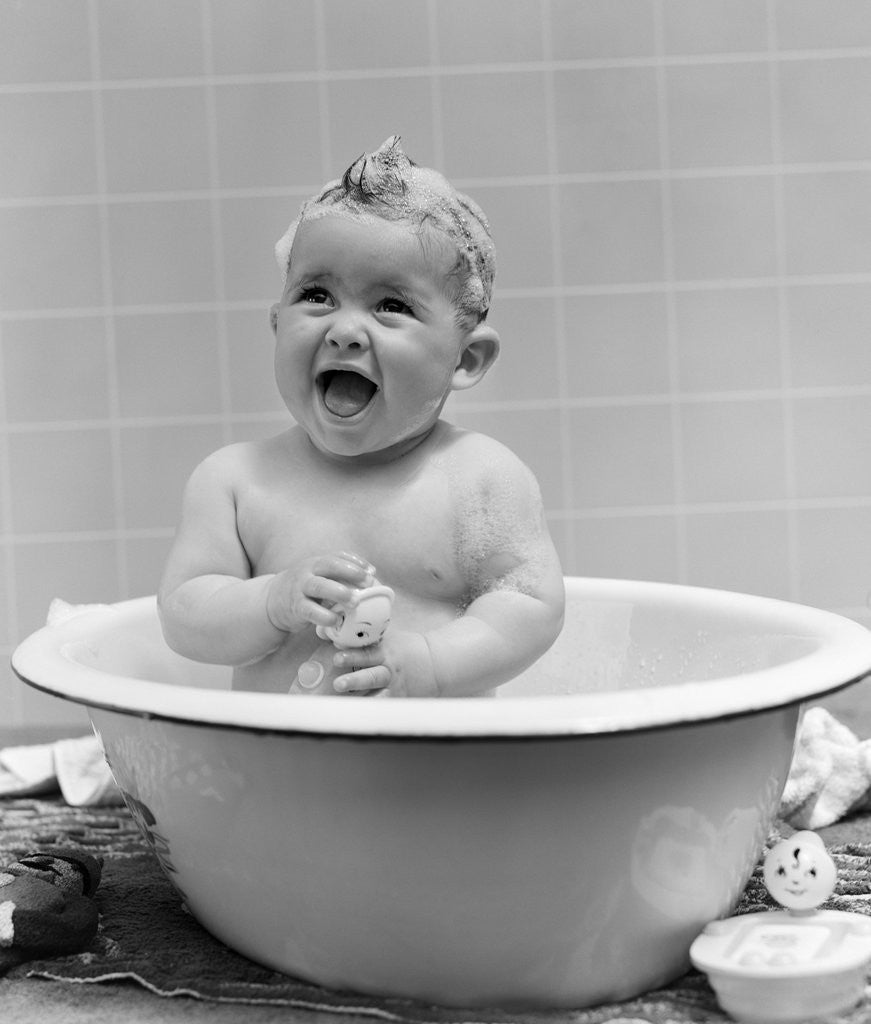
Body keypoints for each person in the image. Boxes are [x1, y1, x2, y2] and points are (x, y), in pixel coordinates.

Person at [158, 136, 565, 697]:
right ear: (278, 325)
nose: (345, 329)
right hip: (276, 774)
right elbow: (185, 616)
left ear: (464, 359)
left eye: (391, 306)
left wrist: (427, 663)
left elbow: (527, 606)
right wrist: (272, 601)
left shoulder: (480, 479)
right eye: (317, 295)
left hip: (441, 772)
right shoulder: (235, 482)